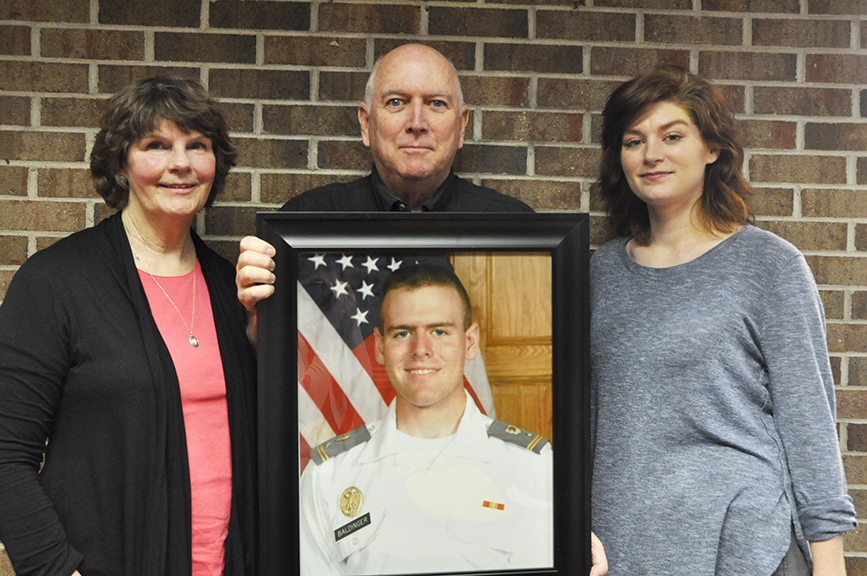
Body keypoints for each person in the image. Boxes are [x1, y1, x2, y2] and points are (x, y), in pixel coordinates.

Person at [590, 65, 856, 576]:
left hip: (743, 550)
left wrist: (829, 566)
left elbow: (809, 426)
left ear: (711, 148)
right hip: (622, 549)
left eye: (672, 136)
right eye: (633, 140)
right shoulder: (602, 271)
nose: (651, 155)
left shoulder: (769, 266)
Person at [0, 77, 258, 576]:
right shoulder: (57, 283)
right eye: (156, 146)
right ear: (121, 164)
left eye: (196, 146)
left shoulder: (233, 290)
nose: (180, 163)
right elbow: (5, 455)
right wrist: (56, 571)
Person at [299, 264, 605, 575]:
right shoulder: (329, 475)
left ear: (470, 341)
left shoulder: (532, 467)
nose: (421, 350)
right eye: (403, 333)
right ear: (379, 346)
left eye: (440, 331)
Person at [235, 43, 532, 324]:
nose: (417, 122)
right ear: (366, 123)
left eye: (436, 103)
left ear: (462, 126)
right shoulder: (305, 222)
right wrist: (261, 315)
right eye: (396, 102)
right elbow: (273, 361)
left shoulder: (516, 230)